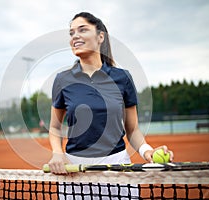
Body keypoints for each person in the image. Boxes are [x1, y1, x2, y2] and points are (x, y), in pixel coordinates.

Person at [48, 12, 174, 198]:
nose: (75, 36)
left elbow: (132, 129)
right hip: (74, 170)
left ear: (100, 36)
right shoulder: (62, 80)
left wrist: (147, 151)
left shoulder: (122, 77)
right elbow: (54, 126)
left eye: (82, 30)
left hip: (117, 168)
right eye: (71, 32)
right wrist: (57, 153)